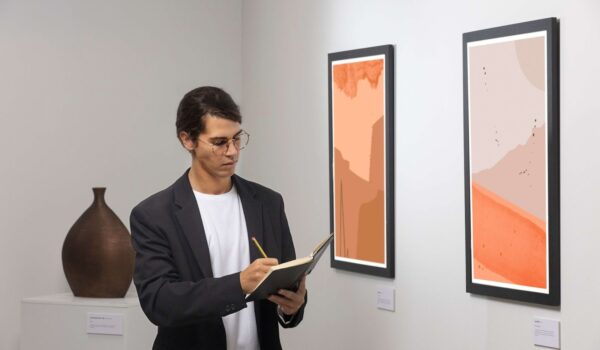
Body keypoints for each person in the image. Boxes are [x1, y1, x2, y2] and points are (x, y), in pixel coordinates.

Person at [130, 86, 307, 350]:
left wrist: (292, 306)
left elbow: (286, 281)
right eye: (219, 142)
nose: (233, 151)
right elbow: (160, 302)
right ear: (187, 140)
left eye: (237, 139)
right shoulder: (153, 215)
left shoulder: (269, 203)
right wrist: (238, 284)